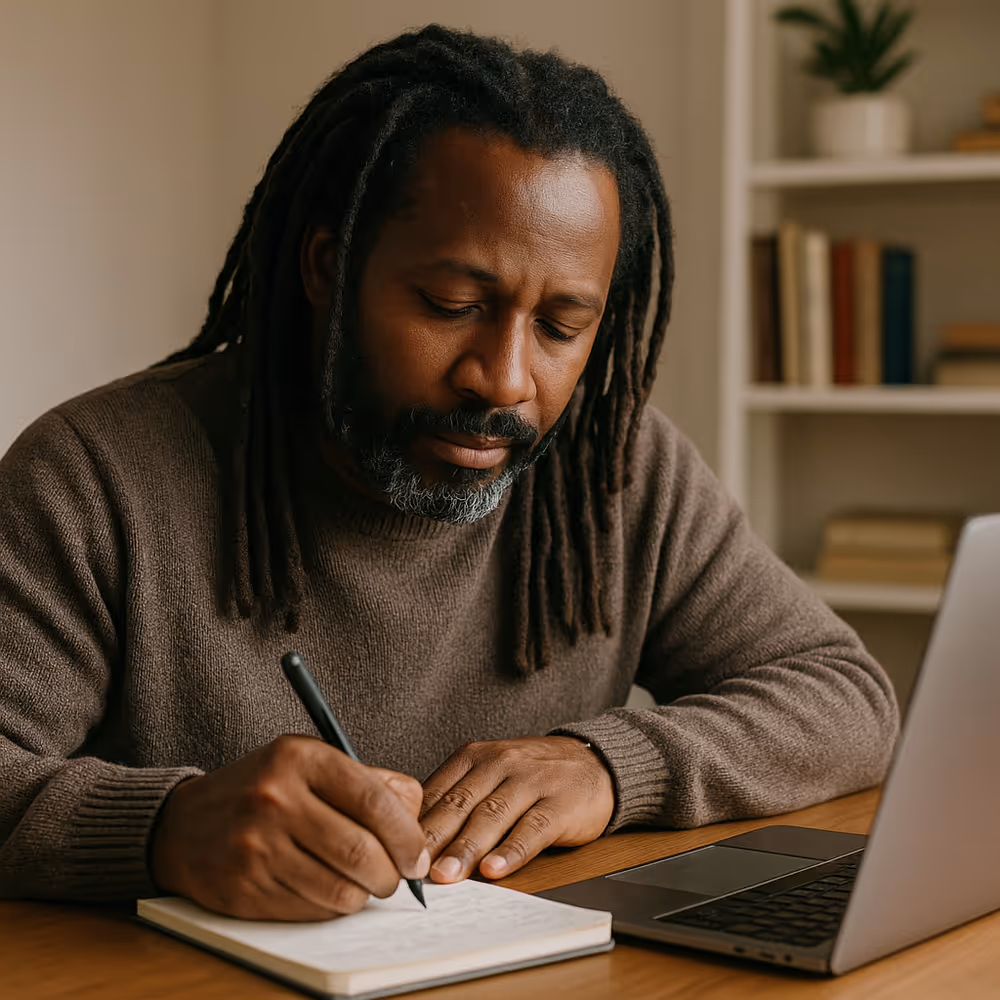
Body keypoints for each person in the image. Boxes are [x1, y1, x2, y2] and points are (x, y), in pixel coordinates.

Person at [0, 25, 897, 920]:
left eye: (560, 327)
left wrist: (614, 767)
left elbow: (844, 696)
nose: (504, 378)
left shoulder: (616, 470)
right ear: (329, 267)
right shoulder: (92, 478)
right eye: (453, 305)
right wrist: (166, 827)